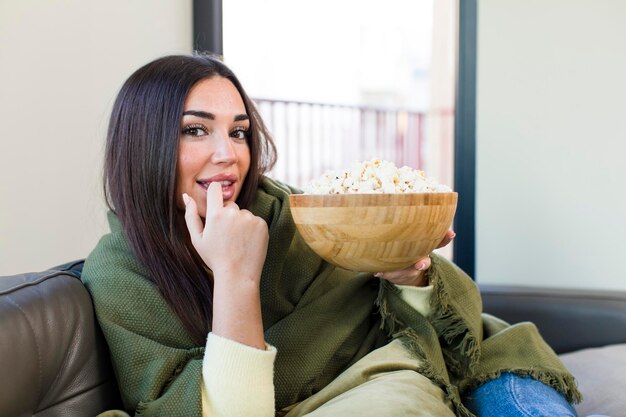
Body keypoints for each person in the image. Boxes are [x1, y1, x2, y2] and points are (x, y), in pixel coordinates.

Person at [82, 53, 589, 417]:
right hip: (393, 385)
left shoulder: (300, 214)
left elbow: (447, 319)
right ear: (143, 143)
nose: (228, 154)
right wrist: (236, 276)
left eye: (238, 131)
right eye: (196, 130)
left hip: (477, 363)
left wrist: (408, 273)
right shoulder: (121, 270)